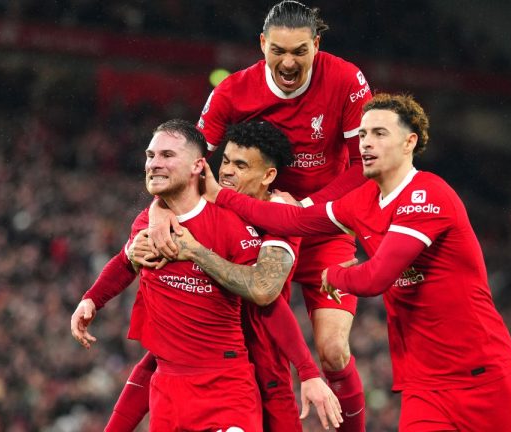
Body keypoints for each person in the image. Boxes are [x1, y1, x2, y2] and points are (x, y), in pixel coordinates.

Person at [198, 93, 511, 431]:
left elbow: (376, 278)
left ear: (409, 142)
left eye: (379, 134)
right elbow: (296, 221)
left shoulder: (428, 194)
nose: (366, 144)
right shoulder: (362, 200)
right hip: (423, 386)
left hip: (482, 376)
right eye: (362, 135)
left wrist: (335, 275)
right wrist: (221, 196)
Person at [146, 2, 372, 429]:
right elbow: (190, 156)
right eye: (279, 50)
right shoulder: (234, 90)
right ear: (263, 44)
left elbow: (365, 165)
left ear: (316, 46)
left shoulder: (345, 79)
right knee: (260, 351)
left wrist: (304, 210)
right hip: (259, 232)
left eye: (301, 52)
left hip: (323, 231)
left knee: (332, 352)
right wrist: (159, 207)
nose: (289, 62)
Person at [71, 120, 342, 431]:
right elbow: (140, 237)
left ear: (268, 176)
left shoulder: (281, 214)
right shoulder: (171, 213)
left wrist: (308, 372)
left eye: (241, 165)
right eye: (225, 161)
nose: (226, 172)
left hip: (258, 359)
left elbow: (264, 293)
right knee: (159, 357)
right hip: (189, 359)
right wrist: (158, 212)